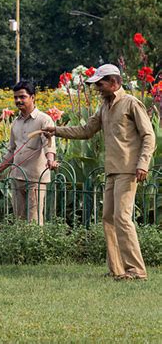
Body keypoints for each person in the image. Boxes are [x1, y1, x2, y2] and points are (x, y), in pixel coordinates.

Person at [42, 64, 156, 280]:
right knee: (108, 219)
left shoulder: (131, 103)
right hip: (113, 170)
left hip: (128, 169)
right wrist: (56, 130)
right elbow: (86, 131)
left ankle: (137, 270)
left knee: (122, 218)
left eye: (100, 84)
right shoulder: (105, 106)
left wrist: (143, 163)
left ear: (114, 82)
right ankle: (117, 270)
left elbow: (148, 135)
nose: (97, 88)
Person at [0, 80, 58, 223]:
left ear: (33, 97)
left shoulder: (44, 120)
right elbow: (11, 151)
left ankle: (34, 245)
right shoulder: (16, 122)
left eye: (22, 97)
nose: (18, 100)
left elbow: (48, 143)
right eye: (16, 97)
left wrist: (50, 160)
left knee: (34, 219)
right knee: (19, 218)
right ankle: (20, 245)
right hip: (17, 176)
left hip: (35, 178)